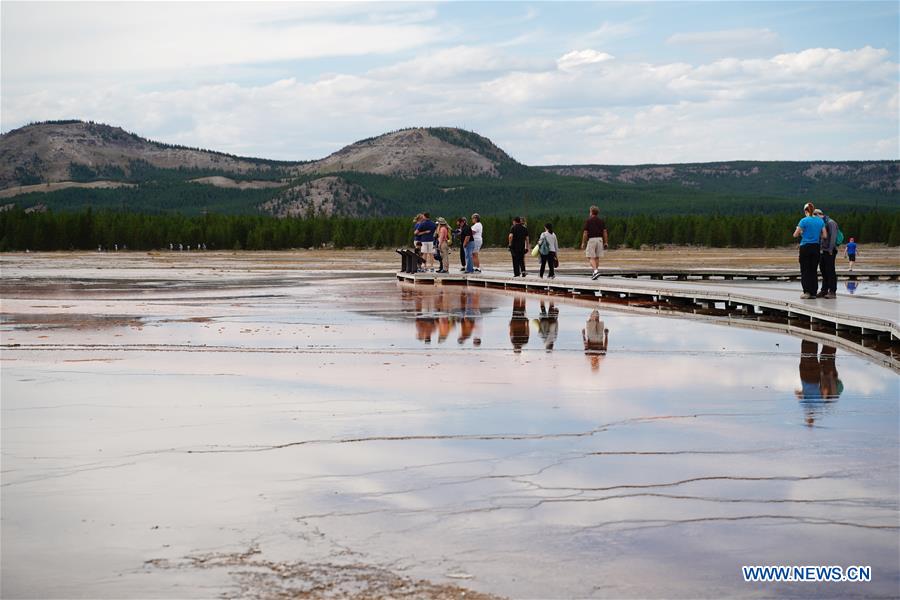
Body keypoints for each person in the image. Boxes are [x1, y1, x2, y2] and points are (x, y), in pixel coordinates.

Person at [792, 202, 826, 299]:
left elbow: (795, 234)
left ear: (805, 211)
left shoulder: (803, 221)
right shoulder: (820, 221)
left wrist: (802, 232)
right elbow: (824, 235)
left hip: (805, 247)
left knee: (805, 270)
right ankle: (814, 293)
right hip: (816, 247)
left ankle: (807, 292)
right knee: (813, 270)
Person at [814, 208, 839, 299]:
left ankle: (832, 291)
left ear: (818, 215)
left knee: (830, 271)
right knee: (823, 270)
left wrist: (830, 249)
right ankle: (824, 290)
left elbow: (833, 237)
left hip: (830, 250)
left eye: (814, 216)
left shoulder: (831, 223)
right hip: (823, 250)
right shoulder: (822, 223)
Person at [581, 205, 608, 280]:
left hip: (592, 240)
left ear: (591, 212)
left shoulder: (588, 221)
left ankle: (595, 271)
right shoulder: (601, 221)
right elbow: (605, 232)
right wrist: (606, 242)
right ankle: (595, 273)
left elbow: (585, 232)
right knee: (597, 257)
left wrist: (583, 242)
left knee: (590, 256)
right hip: (600, 240)